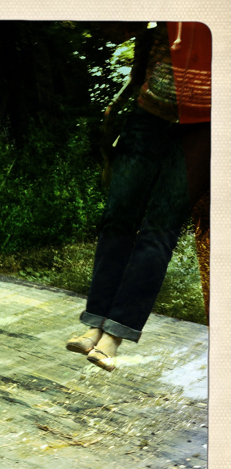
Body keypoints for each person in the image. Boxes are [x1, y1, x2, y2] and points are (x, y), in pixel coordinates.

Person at [66, 22, 211, 371]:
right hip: (150, 111)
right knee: (117, 216)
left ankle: (114, 335)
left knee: (160, 228)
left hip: (204, 126)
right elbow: (120, 27)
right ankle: (95, 322)